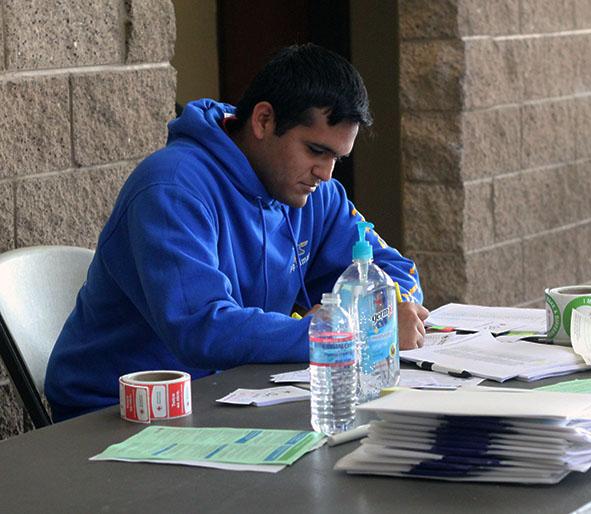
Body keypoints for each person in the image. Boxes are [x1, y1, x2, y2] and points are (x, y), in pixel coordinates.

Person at [45, 43, 428, 421]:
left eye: (336, 158)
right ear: (264, 121)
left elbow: (392, 269)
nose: (326, 173)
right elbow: (201, 327)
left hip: (235, 393)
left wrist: (392, 312)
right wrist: (342, 332)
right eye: (315, 150)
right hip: (115, 412)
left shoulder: (317, 193)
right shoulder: (172, 188)